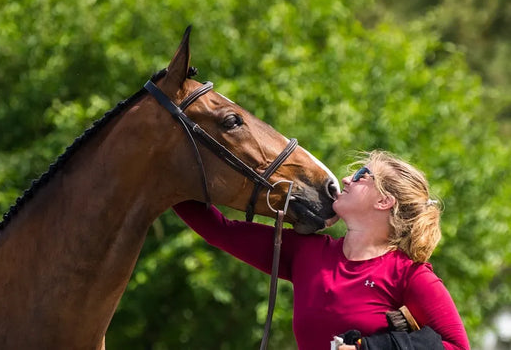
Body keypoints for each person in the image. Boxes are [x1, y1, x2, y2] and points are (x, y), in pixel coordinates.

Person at [173, 150, 470, 350]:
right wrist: (161, 175)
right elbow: (219, 229)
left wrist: (373, 347)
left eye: (361, 175)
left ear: (384, 201)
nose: (345, 179)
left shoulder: (409, 275)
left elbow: (458, 347)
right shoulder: (306, 252)